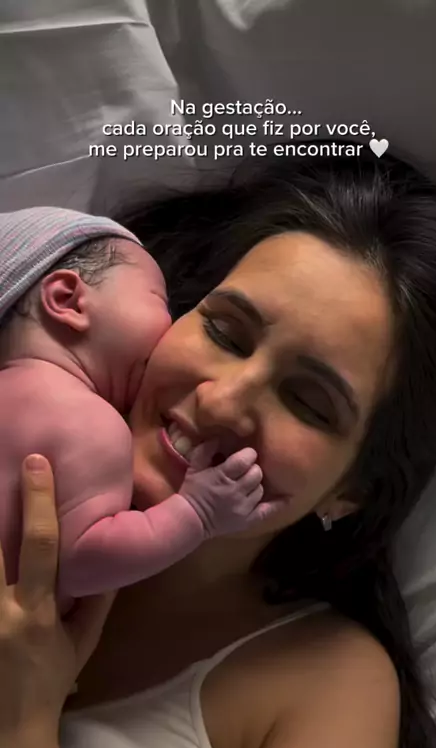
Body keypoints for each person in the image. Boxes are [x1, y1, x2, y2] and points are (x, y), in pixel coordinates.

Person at [2, 152, 436, 748]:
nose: (223, 401)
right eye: (225, 332)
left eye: (307, 401)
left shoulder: (326, 686)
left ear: (354, 489)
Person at [0, 208, 279, 607]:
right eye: (159, 300)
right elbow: (82, 564)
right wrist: (197, 513)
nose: (170, 327)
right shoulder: (88, 421)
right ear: (68, 299)